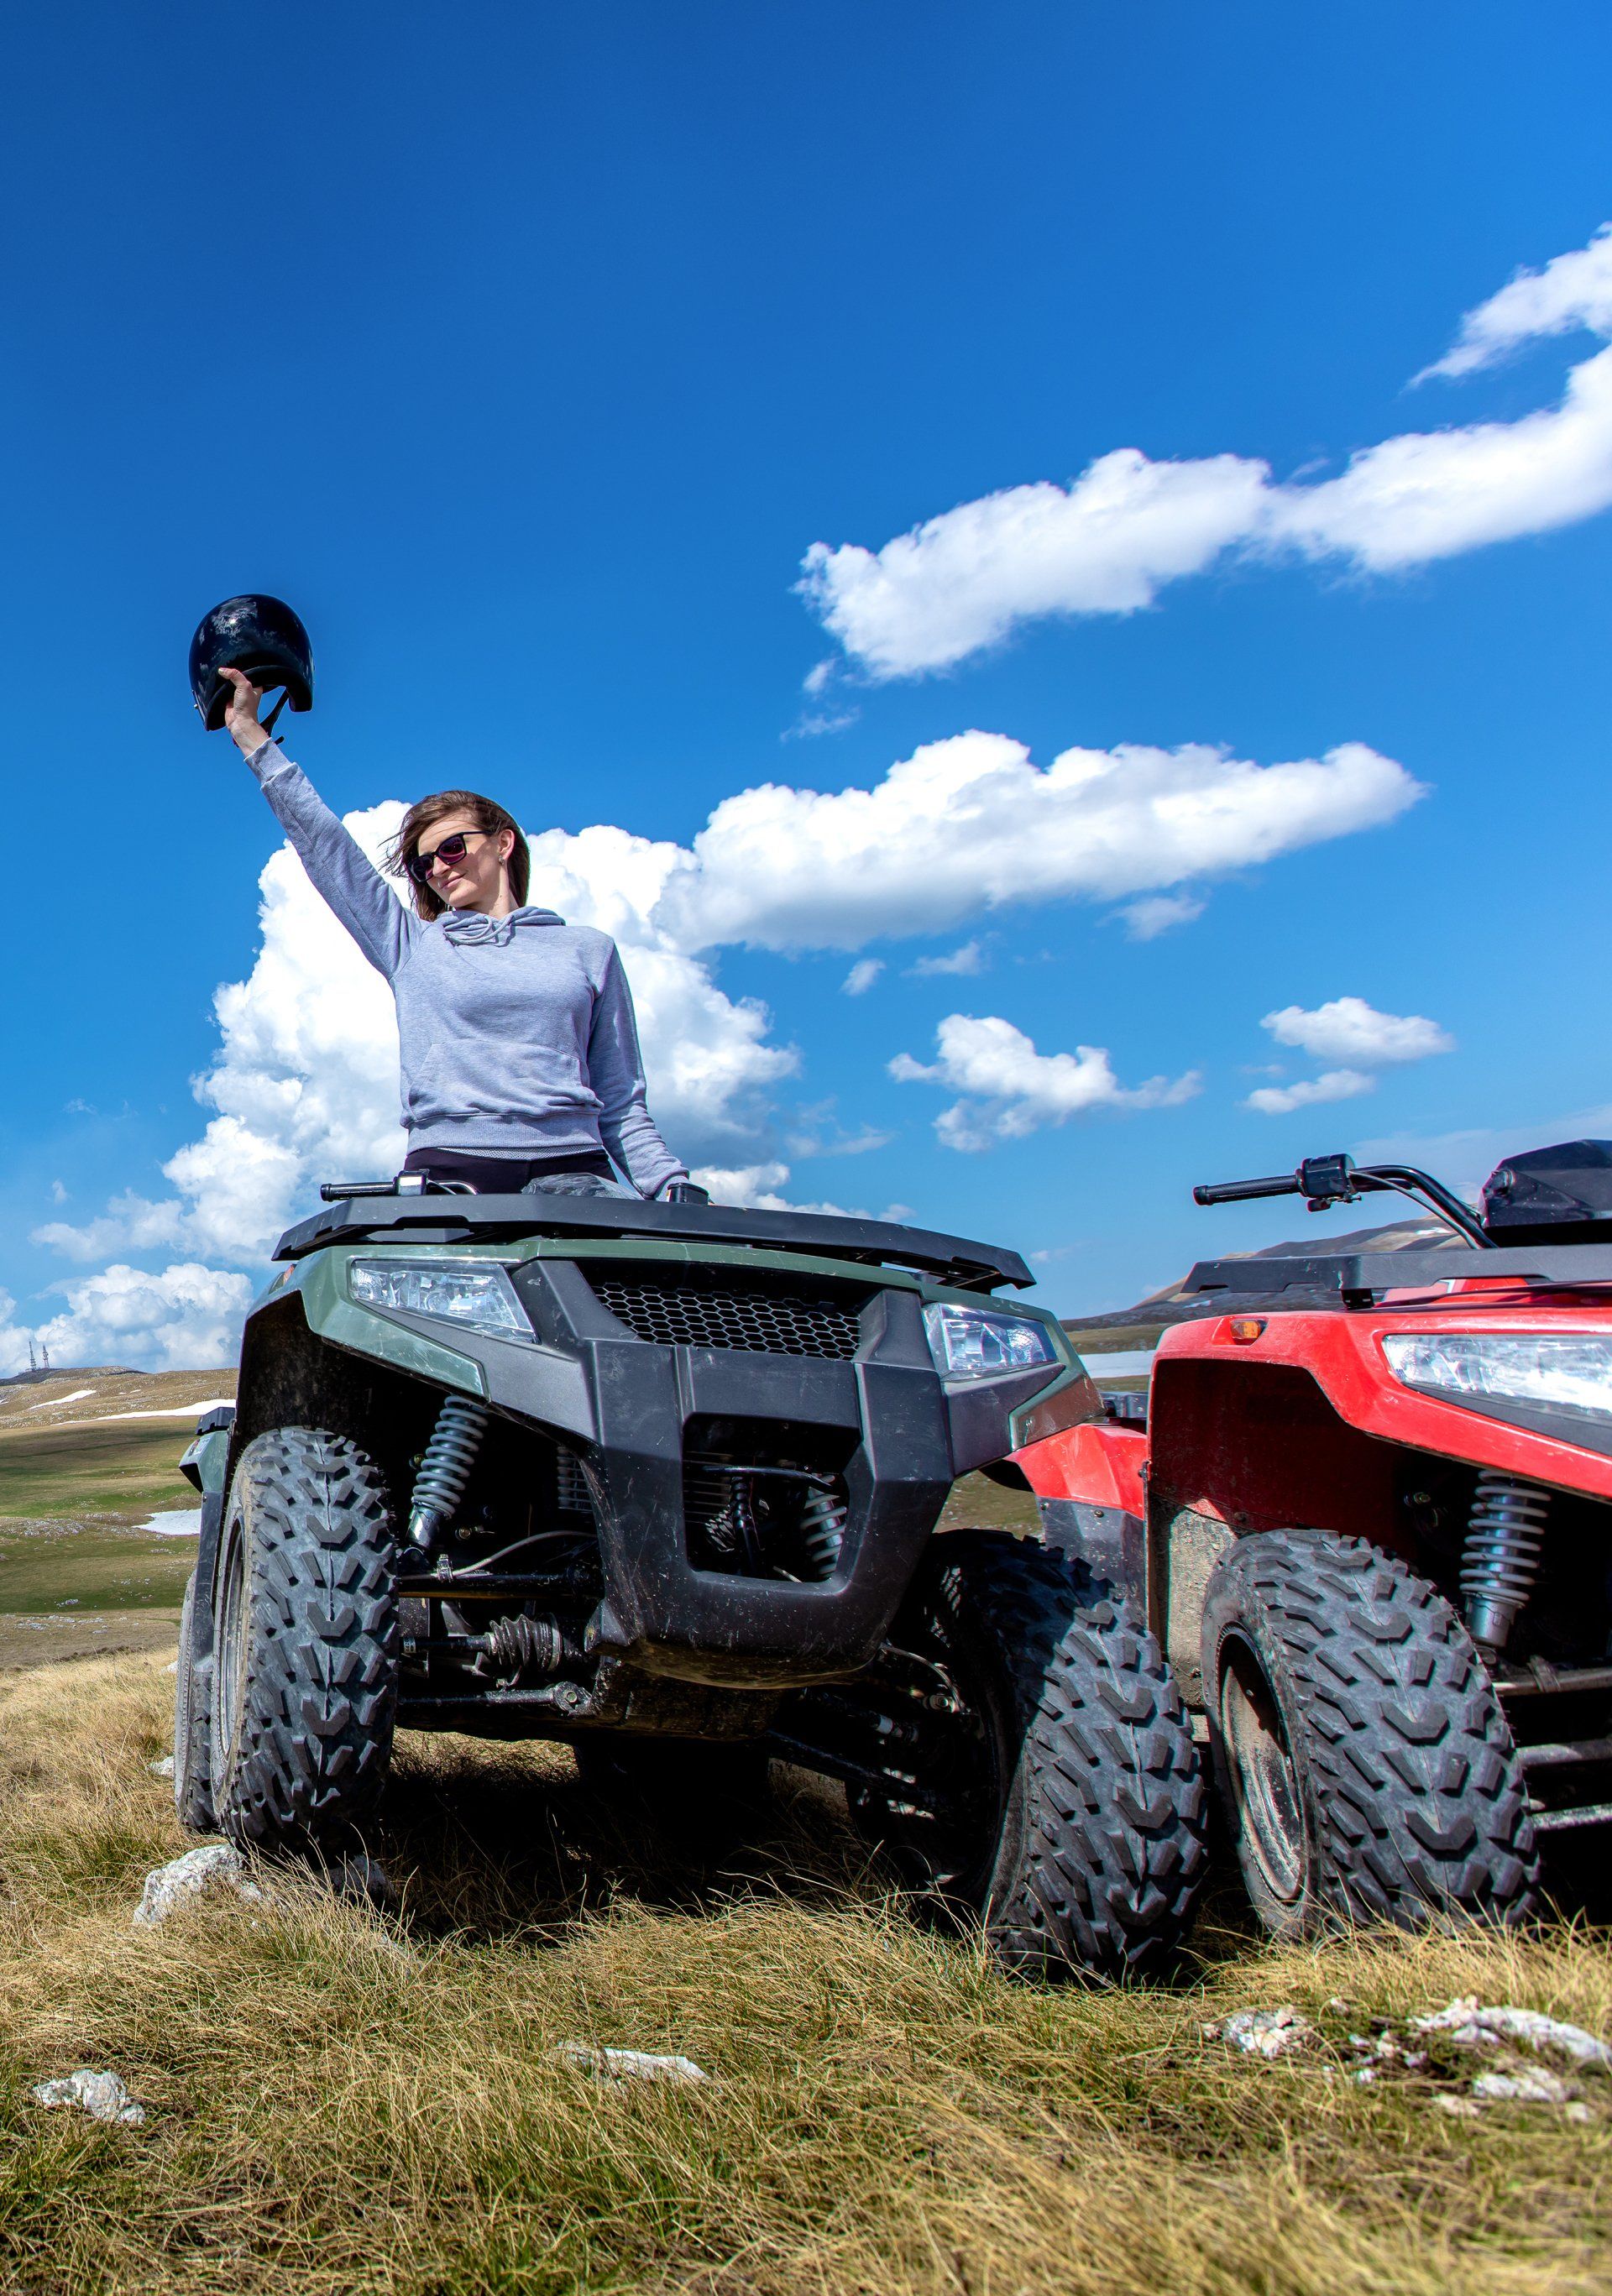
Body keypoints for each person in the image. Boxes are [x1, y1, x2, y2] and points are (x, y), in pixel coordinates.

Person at [220, 667, 699, 1201]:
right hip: (453, 1171)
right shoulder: (412, 946)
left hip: (578, 1170)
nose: (440, 868)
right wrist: (249, 734)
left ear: (503, 844)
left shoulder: (588, 951)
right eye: (425, 864)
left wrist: (669, 1185)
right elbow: (325, 845)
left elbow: (621, 1098)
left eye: (453, 847)